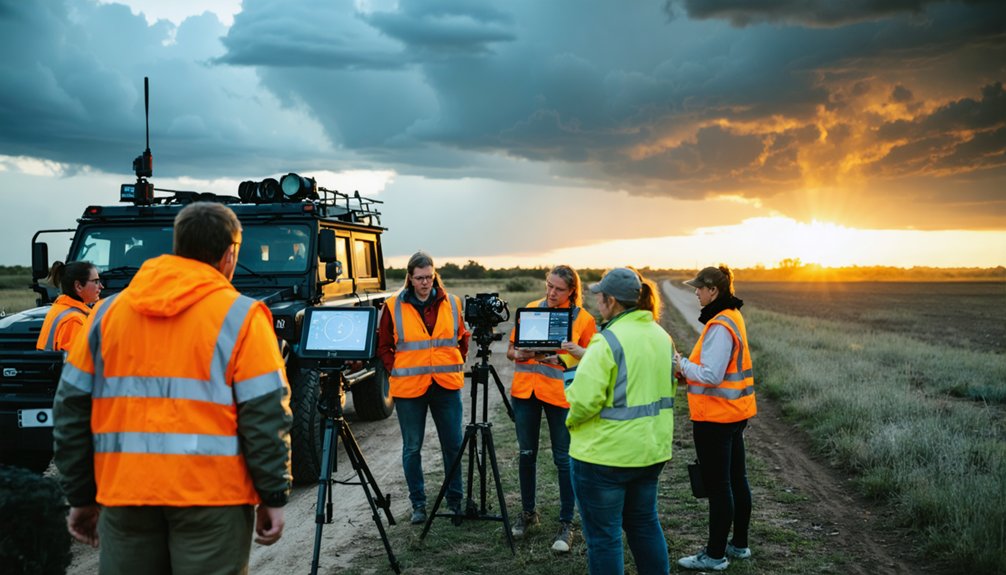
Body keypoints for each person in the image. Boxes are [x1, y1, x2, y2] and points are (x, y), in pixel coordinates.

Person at [52, 202, 293, 575]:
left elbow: (70, 408)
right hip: (213, 500)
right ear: (230, 254)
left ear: (177, 246)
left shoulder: (104, 315)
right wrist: (273, 494)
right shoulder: (241, 316)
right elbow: (264, 414)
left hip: (125, 495)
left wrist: (81, 496)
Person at [566, 267, 676, 575]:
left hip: (604, 457)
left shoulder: (607, 341)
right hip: (651, 452)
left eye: (599, 296)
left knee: (604, 539)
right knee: (644, 525)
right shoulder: (662, 336)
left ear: (611, 301)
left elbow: (584, 401)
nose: (597, 301)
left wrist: (571, 420)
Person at [506, 265, 596, 552]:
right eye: (549, 285)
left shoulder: (584, 319)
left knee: (563, 460)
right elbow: (510, 349)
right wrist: (516, 353)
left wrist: (564, 357)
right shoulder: (531, 309)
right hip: (525, 393)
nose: (551, 292)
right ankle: (528, 514)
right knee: (526, 454)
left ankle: (566, 523)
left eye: (558, 288)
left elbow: (592, 360)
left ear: (572, 290)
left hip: (560, 397)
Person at [377, 251, 470, 525]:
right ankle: (418, 505)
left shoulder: (452, 302)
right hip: (409, 390)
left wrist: (455, 361)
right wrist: (394, 369)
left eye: (429, 277)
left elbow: (462, 339)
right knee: (412, 448)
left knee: (453, 445)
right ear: (410, 278)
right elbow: (384, 346)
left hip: (445, 386)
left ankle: (455, 502)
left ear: (434, 275)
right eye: (419, 278)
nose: (425, 282)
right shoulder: (392, 305)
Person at [676, 265, 756, 572]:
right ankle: (739, 545)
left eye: (699, 288)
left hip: (716, 417)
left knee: (720, 485)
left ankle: (714, 555)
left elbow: (711, 374)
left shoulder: (720, 325)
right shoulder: (731, 316)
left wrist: (680, 364)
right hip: (733, 413)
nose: (695, 292)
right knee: (737, 479)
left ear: (714, 291)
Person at [35, 261, 102, 351]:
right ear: (78, 286)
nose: (101, 286)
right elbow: (75, 362)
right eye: (96, 281)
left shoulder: (59, 309)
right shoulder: (75, 320)